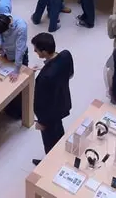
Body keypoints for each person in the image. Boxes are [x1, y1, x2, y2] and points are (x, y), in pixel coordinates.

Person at [31, 33, 74, 165]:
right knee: (58, 130)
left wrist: (41, 121)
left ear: (44, 51)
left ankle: (51, 164)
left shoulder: (44, 78)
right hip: (62, 102)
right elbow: (70, 74)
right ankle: (61, 155)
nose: (34, 51)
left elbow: (41, 102)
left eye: (36, 49)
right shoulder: (66, 55)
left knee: (49, 141)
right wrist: (46, 66)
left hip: (48, 114)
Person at [0, 14, 29, 81]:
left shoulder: (21, 27)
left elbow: (20, 50)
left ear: (9, 26)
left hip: (18, 55)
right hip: (6, 52)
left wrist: (17, 70)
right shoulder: (1, 19)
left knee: (21, 78)